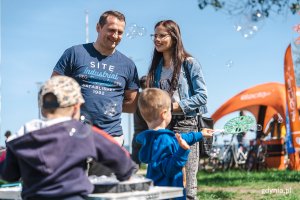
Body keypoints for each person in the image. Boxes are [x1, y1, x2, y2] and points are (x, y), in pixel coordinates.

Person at [1, 76, 137, 200]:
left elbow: (9, 175)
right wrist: (125, 174)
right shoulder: (83, 133)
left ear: (42, 108)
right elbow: (121, 160)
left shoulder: (22, 136)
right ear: (76, 107)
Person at [52, 10, 139, 146]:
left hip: (111, 138)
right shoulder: (74, 53)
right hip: (74, 134)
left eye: (120, 32)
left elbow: (132, 105)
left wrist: (105, 105)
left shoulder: (128, 65)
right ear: (98, 27)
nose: (115, 36)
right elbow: (53, 88)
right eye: (111, 30)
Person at [146, 20, 208, 199]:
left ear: (174, 37)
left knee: (187, 182)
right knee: (166, 180)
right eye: (154, 35)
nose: (156, 39)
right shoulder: (156, 69)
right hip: (163, 126)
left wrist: (173, 107)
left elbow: (202, 96)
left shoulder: (189, 63)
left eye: (161, 35)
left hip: (186, 124)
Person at [136, 88, 213, 200]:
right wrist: (183, 151)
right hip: (170, 194)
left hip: (155, 192)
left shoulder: (151, 139)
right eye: (170, 111)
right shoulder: (165, 140)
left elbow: (181, 138)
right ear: (164, 114)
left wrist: (200, 134)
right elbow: (169, 169)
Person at [131, 75, 148, 166]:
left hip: (138, 133)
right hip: (149, 133)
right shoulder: (150, 98)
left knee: (134, 163)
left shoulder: (136, 98)